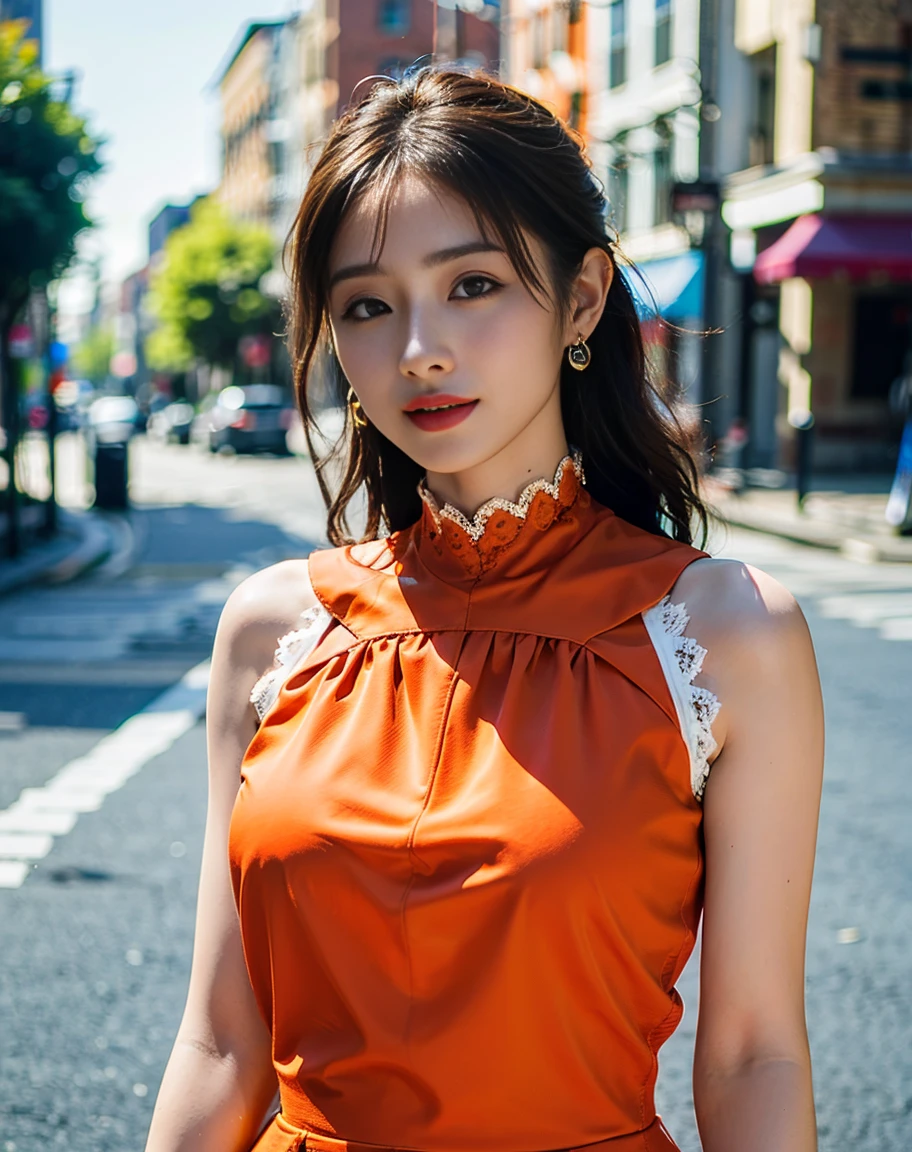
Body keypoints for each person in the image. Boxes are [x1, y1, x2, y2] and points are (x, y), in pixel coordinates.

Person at [145, 68, 824, 1152]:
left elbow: (754, 1054)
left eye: (472, 284)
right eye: (366, 305)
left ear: (584, 299)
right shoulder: (274, 631)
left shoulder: (725, 633)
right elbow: (222, 1045)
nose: (418, 347)